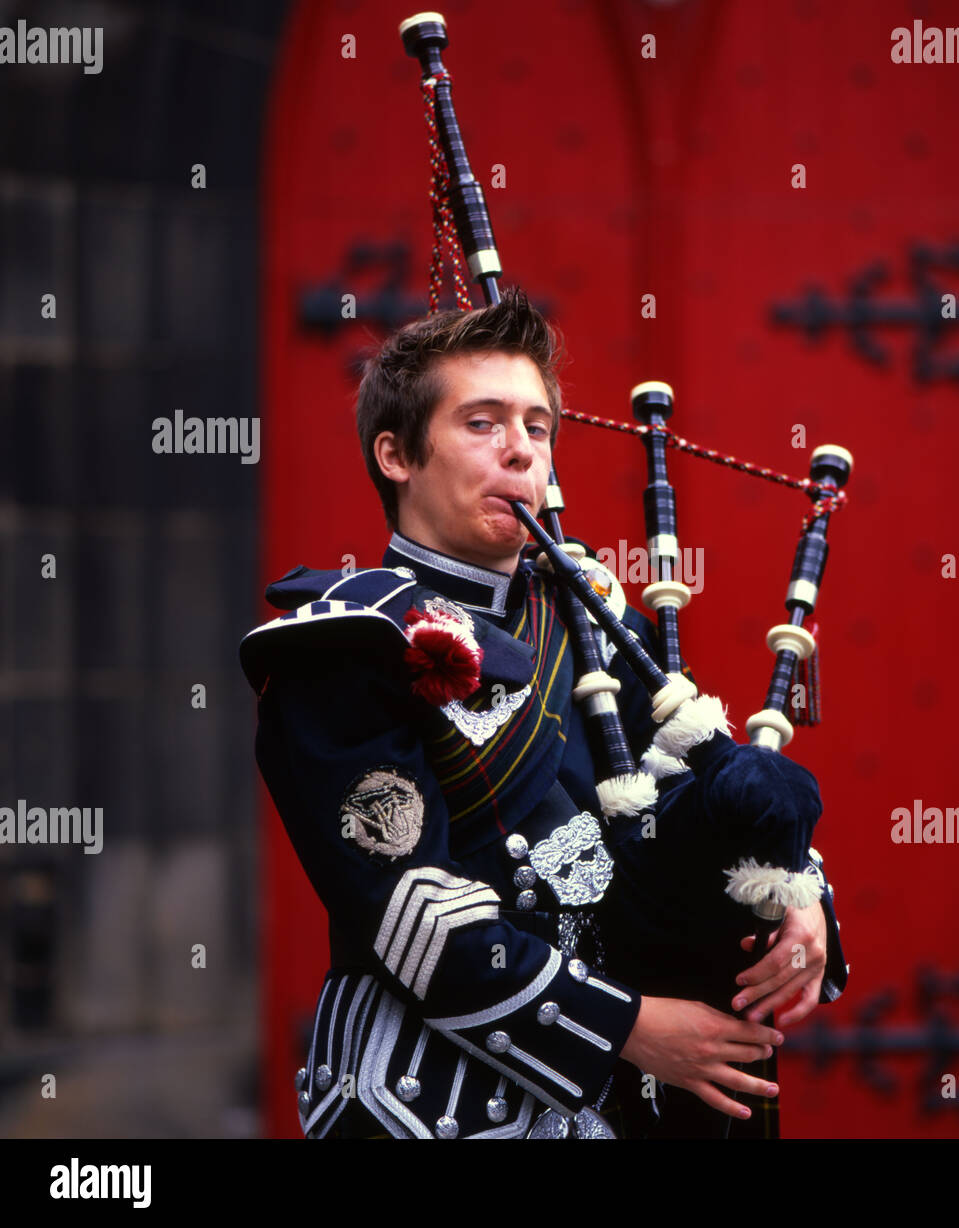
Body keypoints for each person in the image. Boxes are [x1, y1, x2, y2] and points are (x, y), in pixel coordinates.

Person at [240, 288, 848, 1138]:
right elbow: (414, 915)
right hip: (434, 1102)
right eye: (482, 424)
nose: (522, 453)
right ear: (396, 455)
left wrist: (797, 890)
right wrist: (628, 1029)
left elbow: (697, 787)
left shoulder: (593, 618)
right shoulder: (345, 652)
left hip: (618, 1107)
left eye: (537, 426)